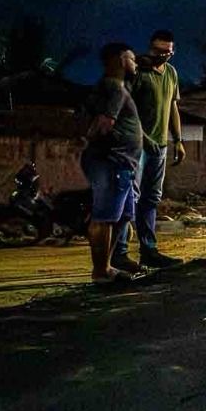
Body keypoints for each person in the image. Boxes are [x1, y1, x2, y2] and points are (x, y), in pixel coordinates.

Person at [112, 29, 185, 272]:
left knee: (150, 199)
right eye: (157, 51)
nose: (162, 56)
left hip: (161, 146)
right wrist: (142, 138)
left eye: (167, 52)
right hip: (136, 148)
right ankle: (119, 253)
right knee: (129, 199)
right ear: (150, 48)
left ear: (172, 52)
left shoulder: (171, 74)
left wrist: (179, 140)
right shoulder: (138, 73)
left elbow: (172, 108)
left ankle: (149, 250)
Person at [81, 43, 144, 284]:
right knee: (105, 217)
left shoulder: (113, 87)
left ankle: (106, 267)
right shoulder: (113, 88)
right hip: (113, 162)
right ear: (120, 59)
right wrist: (104, 147)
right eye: (132, 58)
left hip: (123, 163)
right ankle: (100, 272)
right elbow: (103, 124)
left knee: (123, 215)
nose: (135, 63)